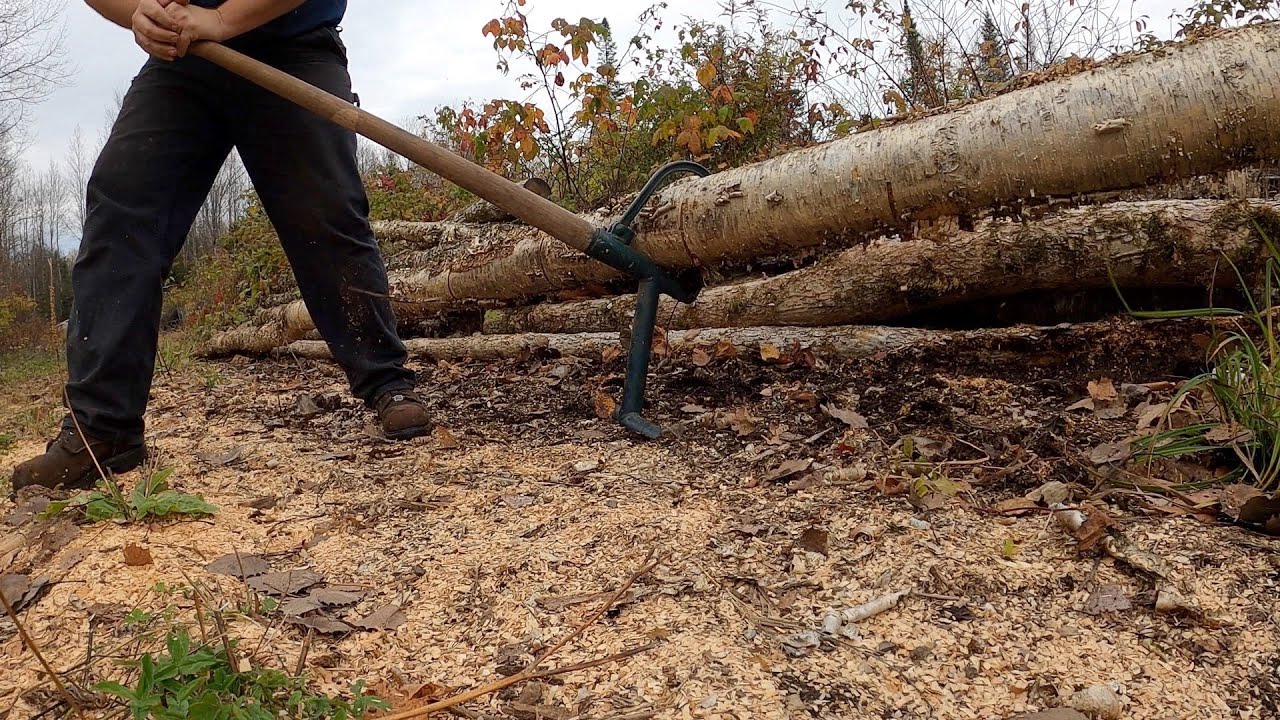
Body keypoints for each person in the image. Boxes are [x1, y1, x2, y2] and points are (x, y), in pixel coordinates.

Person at [11, 0, 431, 494]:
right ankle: (103, 428)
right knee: (123, 208)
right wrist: (137, 13)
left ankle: (384, 380)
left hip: (293, 45)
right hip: (184, 59)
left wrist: (224, 20)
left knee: (324, 213)